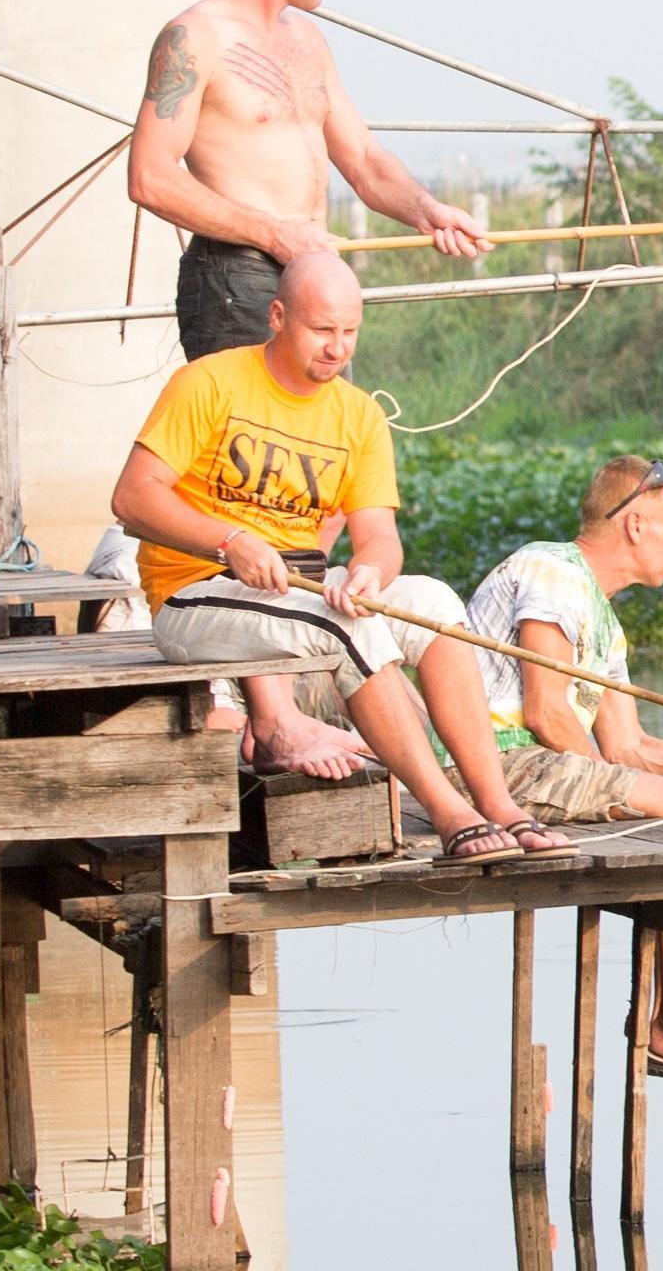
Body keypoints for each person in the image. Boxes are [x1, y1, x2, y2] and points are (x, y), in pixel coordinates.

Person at [115, 246, 561, 863]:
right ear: (277, 316)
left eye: (349, 332)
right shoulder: (210, 382)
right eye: (321, 330)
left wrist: (369, 571)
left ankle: (498, 803)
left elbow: (378, 534)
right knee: (342, 625)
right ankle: (448, 812)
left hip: (293, 596)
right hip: (195, 599)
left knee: (431, 600)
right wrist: (230, 540)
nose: (337, 348)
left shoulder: (360, 415)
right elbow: (132, 497)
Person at [467, 454, 663, 1086]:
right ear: (635, 525)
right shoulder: (551, 570)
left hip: (538, 767)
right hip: (495, 767)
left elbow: (628, 748)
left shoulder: (604, 623)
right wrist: (621, 789)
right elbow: (546, 710)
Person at [131, 0, 495, 363]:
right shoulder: (194, 37)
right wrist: (276, 233)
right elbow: (150, 177)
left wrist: (426, 211)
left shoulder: (308, 39)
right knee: (248, 441)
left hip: (315, 276)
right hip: (237, 278)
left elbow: (363, 159)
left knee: (321, 440)